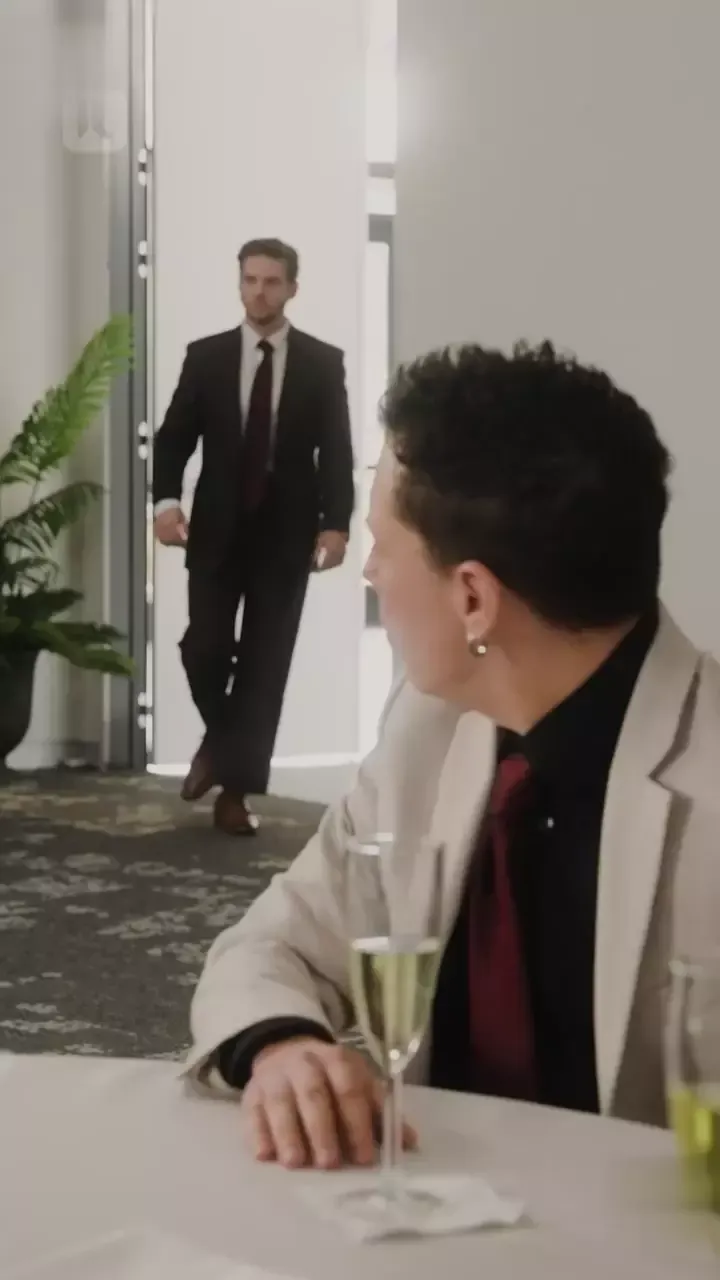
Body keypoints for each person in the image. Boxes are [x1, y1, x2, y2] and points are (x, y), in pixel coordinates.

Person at [184, 340, 720, 1167]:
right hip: (435, 1204)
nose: (370, 571)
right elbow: (273, 945)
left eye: (382, 545)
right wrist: (283, 1044)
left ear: (473, 596)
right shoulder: (428, 725)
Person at [153, 238, 354, 836]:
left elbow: (335, 449)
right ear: (239, 284)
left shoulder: (322, 362)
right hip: (215, 529)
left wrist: (337, 523)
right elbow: (174, 437)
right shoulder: (207, 356)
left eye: (271, 282)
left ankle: (235, 795)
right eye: (250, 280)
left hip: (287, 534)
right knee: (204, 647)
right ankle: (222, 742)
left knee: (265, 665)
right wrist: (166, 503)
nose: (259, 292)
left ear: (292, 288)